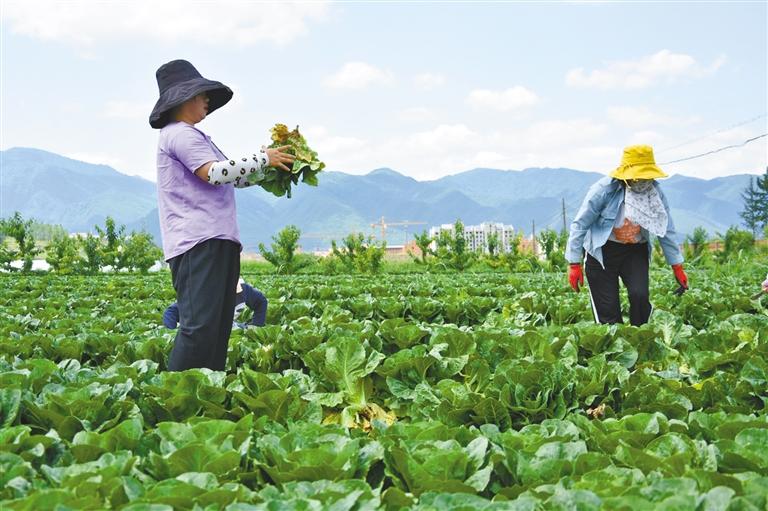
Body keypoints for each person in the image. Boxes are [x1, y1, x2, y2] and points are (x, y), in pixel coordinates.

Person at [149, 59, 294, 371]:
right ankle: (172, 395)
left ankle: (207, 391)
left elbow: (237, 178)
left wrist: (270, 164)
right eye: (201, 95)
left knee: (217, 328)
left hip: (218, 240)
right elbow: (213, 173)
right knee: (200, 326)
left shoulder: (198, 137)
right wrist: (262, 158)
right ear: (183, 99)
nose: (206, 101)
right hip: (197, 241)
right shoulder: (179, 134)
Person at [565, 145, 688, 326]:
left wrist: (677, 265)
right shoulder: (604, 190)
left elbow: (666, 228)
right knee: (608, 310)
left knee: (640, 296)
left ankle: (641, 341)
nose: (643, 181)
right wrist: (574, 263)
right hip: (602, 251)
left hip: (635, 250)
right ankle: (614, 349)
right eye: (638, 177)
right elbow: (580, 224)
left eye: (647, 176)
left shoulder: (654, 193)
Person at [163, 278, 268, 330]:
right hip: (202, 332)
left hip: (229, 329)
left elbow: (261, 302)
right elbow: (171, 312)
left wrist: (256, 326)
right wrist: (173, 332)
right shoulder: (201, 293)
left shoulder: (244, 290)